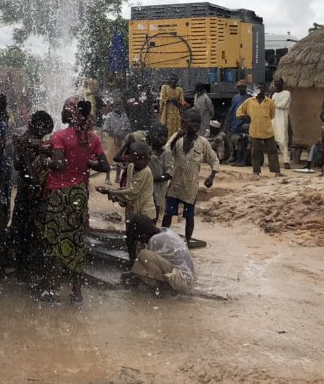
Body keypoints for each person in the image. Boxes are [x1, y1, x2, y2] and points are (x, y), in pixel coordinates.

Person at [37, 96, 110, 306]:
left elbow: (59, 164)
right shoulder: (92, 138)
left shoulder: (60, 136)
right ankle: (76, 293)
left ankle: (54, 288)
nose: (60, 113)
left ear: (69, 114)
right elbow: (104, 167)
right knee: (76, 239)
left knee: (55, 239)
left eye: (63, 110)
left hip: (60, 193)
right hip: (79, 193)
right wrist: (84, 161)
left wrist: (46, 161)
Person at [164, 109, 220, 244]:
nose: (195, 125)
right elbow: (166, 151)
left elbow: (214, 160)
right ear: (184, 122)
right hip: (175, 184)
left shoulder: (203, 142)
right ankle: (163, 239)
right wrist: (176, 138)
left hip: (191, 186)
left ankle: (187, 242)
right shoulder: (177, 138)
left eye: (198, 122)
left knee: (189, 216)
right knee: (168, 213)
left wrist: (211, 177)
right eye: (192, 121)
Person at [13, 111, 54, 283]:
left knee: (23, 226)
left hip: (26, 187)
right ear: (40, 126)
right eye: (46, 129)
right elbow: (22, 164)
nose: (48, 132)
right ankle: (31, 268)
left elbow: (16, 165)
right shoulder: (29, 142)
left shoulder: (23, 138)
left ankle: (22, 266)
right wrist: (32, 171)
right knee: (32, 228)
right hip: (32, 189)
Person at [100, 140, 156, 264]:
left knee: (145, 243)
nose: (141, 162)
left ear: (148, 158)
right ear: (130, 158)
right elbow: (127, 188)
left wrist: (112, 192)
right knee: (130, 239)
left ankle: (145, 268)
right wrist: (112, 191)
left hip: (145, 213)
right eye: (138, 158)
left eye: (144, 158)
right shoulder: (130, 167)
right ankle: (133, 264)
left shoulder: (146, 172)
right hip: (132, 211)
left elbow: (132, 193)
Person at [127, 215, 195, 294]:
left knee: (143, 255)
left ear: (143, 233)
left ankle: (164, 290)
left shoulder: (154, 240)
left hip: (183, 282)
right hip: (187, 278)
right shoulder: (165, 232)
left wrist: (133, 277)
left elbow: (144, 267)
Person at [236, 85, 282, 177]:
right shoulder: (249, 101)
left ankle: (276, 171)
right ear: (255, 90)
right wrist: (246, 117)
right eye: (258, 88)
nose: (260, 90)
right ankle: (256, 171)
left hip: (268, 130)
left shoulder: (270, 102)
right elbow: (239, 112)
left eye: (262, 88)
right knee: (255, 152)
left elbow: (272, 115)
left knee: (272, 151)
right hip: (255, 130)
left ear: (264, 90)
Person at [101, 100, 131, 184]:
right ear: (113, 106)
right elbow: (106, 128)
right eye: (117, 105)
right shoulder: (109, 116)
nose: (119, 106)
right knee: (110, 158)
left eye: (120, 104)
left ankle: (117, 177)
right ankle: (107, 177)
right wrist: (115, 137)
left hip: (122, 139)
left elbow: (128, 127)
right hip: (112, 139)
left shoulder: (124, 115)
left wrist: (123, 135)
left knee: (120, 158)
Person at [227, 80, 252, 166]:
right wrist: (230, 122)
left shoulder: (249, 98)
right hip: (235, 123)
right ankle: (237, 159)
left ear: (245, 88)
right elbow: (232, 110)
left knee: (244, 142)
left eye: (243, 87)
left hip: (244, 124)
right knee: (235, 142)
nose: (241, 89)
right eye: (240, 87)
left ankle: (243, 160)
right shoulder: (235, 98)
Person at [271, 77, 293, 168]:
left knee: (283, 140)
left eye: (279, 82)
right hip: (273, 119)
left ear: (282, 83)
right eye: (275, 82)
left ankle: (286, 161)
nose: (277, 83)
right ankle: (273, 161)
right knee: (272, 141)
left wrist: (273, 104)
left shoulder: (287, 93)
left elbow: (283, 105)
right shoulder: (273, 94)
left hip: (282, 119)